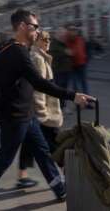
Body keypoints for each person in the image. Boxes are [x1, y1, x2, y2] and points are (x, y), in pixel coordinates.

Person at [0, 9, 94, 211]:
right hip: (15, 117)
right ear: (23, 27)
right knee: (4, 158)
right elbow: (39, 83)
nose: (37, 31)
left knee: (42, 151)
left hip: (26, 114)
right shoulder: (17, 51)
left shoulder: (11, 48)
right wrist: (73, 96)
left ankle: (59, 188)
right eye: (34, 27)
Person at [17, 30, 64, 187]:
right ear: (36, 41)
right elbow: (38, 89)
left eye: (49, 39)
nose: (48, 41)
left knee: (29, 141)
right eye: (44, 39)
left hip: (41, 110)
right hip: (45, 112)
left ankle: (22, 176)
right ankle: (66, 174)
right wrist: (43, 114)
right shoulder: (37, 59)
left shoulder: (41, 57)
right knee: (55, 144)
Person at [49, 27, 73, 109]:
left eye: (65, 35)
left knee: (64, 89)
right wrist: (65, 52)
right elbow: (52, 54)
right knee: (60, 89)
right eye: (63, 35)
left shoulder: (63, 43)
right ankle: (59, 106)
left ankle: (62, 105)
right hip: (58, 71)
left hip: (65, 70)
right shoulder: (53, 43)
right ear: (58, 35)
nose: (64, 37)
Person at [66, 26, 89, 94]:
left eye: (74, 31)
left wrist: (86, 58)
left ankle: (86, 98)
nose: (73, 32)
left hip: (82, 64)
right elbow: (68, 52)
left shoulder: (80, 39)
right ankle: (78, 100)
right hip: (73, 66)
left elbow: (84, 50)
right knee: (75, 84)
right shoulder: (67, 41)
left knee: (83, 83)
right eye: (71, 31)